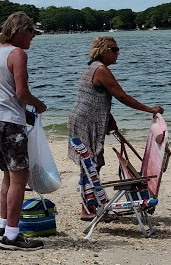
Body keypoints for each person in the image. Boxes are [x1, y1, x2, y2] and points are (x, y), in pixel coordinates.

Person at [67, 36, 163, 220]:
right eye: (114, 49)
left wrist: (110, 119)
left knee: (94, 163)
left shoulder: (93, 68)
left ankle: (90, 205)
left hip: (87, 118)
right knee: (91, 164)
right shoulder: (100, 69)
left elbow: (97, 97)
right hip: (88, 121)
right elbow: (121, 96)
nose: (118, 52)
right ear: (103, 51)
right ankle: (88, 209)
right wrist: (149, 109)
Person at [0, 12, 47, 250]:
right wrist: (38, 105)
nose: (33, 38)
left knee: (8, 173)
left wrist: (26, 116)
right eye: (31, 32)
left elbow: (1, 94)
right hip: (7, 122)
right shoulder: (18, 53)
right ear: (19, 31)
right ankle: (13, 235)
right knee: (20, 176)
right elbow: (21, 93)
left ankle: (4, 225)